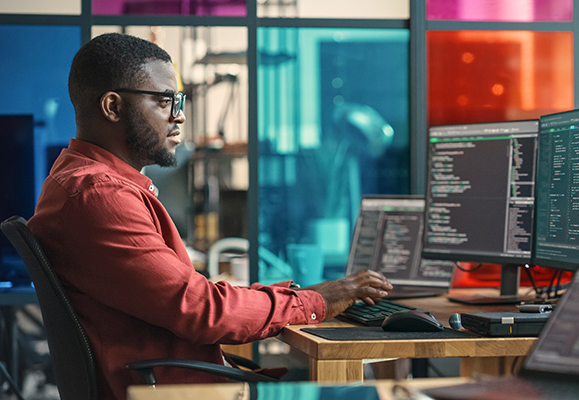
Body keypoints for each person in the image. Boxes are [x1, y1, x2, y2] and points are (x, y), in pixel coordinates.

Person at [28, 33, 392, 400]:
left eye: (179, 101)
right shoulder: (99, 195)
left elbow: (195, 300)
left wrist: (302, 296)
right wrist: (318, 302)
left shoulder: (84, 183)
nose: (180, 115)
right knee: (374, 394)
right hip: (170, 392)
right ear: (112, 106)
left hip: (174, 384)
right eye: (164, 101)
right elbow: (202, 310)